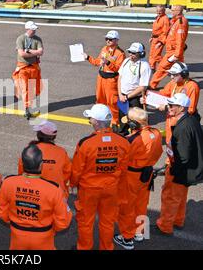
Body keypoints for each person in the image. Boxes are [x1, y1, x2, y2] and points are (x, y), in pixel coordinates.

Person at [71, 104, 130, 250]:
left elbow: (77, 170)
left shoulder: (85, 143)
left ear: (97, 122)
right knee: (107, 221)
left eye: (90, 118)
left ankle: (84, 248)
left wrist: (72, 184)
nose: (89, 120)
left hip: (88, 190)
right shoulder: (123, 142)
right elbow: (123, 169)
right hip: (111, 188)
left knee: (85, 221)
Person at [0, 144, 72, 250]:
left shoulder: (8, 183)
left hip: (17, 235)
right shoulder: (54, 189)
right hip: (44, 237)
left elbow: (0, 210)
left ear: (22, 163)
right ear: (41, 165)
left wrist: (14, 222)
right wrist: (51, 230)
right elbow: (63, 221)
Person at [114, 107, 163, 250]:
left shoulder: (132, 140)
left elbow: (121, 159)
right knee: (141, 204)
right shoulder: (156, 133)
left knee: (126, 206)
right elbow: (159, 152)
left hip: (131, 176)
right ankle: (140, 232)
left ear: (133, 124)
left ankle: (127, 238)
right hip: (147, 174)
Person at [156, 93, 203, 235]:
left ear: (181, 107)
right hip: (188, 171)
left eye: (171, 105)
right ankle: (178, 220)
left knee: (170, 198)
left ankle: (165, 226)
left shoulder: (182, 128)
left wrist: (174, 171)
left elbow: (183, 156)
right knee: (180, 197)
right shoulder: (191, 119)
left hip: (180, 170)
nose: (168, 107)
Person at [143, 62, 200, 146]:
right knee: (170, 144)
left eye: (175, 74)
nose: (172, 77)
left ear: (184, 74)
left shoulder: (192, 86)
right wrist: (147, 97)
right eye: (171, 74)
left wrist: (167, 108)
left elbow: (190, 110)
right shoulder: (173, 83)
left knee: (180, 146)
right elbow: (163, 93)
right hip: (171, 119)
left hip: (182, 123)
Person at [17, 120, 72, 198]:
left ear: (39, 135)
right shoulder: (62, 152)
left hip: (33, 194)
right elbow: (67, 174)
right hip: (56, 195)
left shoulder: (29, 150)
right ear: (54, 136)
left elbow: (21, 172)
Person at [83, 30, 126, 125]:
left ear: (116, 40)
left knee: (112, 101)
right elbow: (97, 62)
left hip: (111, 80)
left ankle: (115, 122)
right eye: (107, 38)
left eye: (110, 39)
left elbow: (118, 69)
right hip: (101, 78)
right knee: (99, 99)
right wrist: (88, 58)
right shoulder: (104, 49)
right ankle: (99, 117)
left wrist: (108, 63)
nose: (108, 41)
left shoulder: (120, 53)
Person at [150, 5, 189, 89]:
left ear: (178, 12)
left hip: (174, 51)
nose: (171, 12)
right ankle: (185, 84)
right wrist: (161, 42)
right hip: (173, 50)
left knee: (162, 67)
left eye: (173, 10)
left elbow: (180, 40)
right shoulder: (175, 21)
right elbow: (168, 35)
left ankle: (152, 85)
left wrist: (176, 55)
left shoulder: (180, 23)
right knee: (181, 69)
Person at [117, 42, 152, 134]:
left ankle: (137, 140)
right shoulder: (126, 61)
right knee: (123, 120)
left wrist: (127, 97)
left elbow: (143, 87)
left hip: (134, 99)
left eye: (133, 53)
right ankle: (123, 137)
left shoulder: (144, 66)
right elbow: (120, 77)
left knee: (136, 123)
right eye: (130, 52)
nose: (131, 55)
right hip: (122, 97)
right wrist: (120, 94)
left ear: (141, 54)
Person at [13, 21, 44, 119]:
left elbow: (41, 52)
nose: (34, 31)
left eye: (35, 29)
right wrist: (35, 53)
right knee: (25, 88)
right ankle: (27, 109)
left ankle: (29, 107)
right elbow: (22, 54)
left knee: (33, 89)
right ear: (27, 29)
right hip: (23, 68)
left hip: (34, 67)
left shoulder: (38, 39)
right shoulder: (20, 39)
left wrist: (29, 51)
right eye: (32, 29)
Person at [149, 5, 170, 71]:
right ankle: (152, 67)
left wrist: (161, 42)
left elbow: (165, 32)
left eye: (160, 11)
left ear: (164, 11)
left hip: (159, 40)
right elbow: (155, 29)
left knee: (156, 56)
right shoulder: (158, 17)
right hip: (154, 39)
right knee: (152, 54)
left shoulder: (165, 19)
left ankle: (167, 66)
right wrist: (152, 37)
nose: (158, 12)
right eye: (157, 11)